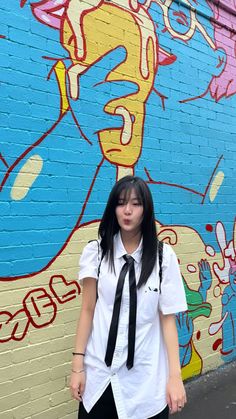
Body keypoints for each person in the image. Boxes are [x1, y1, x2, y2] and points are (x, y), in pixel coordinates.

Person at [70, 175, 188, 418]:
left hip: (144, 384)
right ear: (113, 207)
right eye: (121, 203)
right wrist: (77, 367)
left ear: (146, 209)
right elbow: (88, 310)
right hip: (99, 379)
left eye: (136, 203)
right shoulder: (96, 252)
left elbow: (168, 320)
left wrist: (175, 377)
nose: (127, 210)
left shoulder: (163, 258)